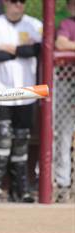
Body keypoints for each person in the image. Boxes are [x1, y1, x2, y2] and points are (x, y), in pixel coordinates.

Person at [0, 0, 42, 203]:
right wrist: (22, 50)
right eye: (14, 1)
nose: (18, 5)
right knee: (2, 140)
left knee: (21, 141)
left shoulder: (34, 24)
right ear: (5, 2)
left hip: (26, 92)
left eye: (22, 2)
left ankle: (20, 190)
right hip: (1, 92)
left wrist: (11, 49)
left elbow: (38, 50)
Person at [54, 0, 75, 202]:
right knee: (64, 134)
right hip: (68, 85)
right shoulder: (68, 24)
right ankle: (63, 183)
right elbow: (61, 43)